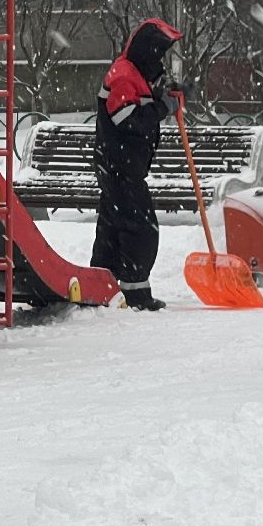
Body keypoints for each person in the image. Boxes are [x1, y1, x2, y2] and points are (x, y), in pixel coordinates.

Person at [91, 18, 183, 311]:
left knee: (113, 229)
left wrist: (164, 94)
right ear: (147, 51)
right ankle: (135, 294)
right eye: (157, 54)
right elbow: (126, 119)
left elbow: (141, 100)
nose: (160, 60)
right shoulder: (123, 76)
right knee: (141, 230)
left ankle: (101, 286)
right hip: (121, 167)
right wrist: (162, 108)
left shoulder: (134, 72)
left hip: (119, 166)